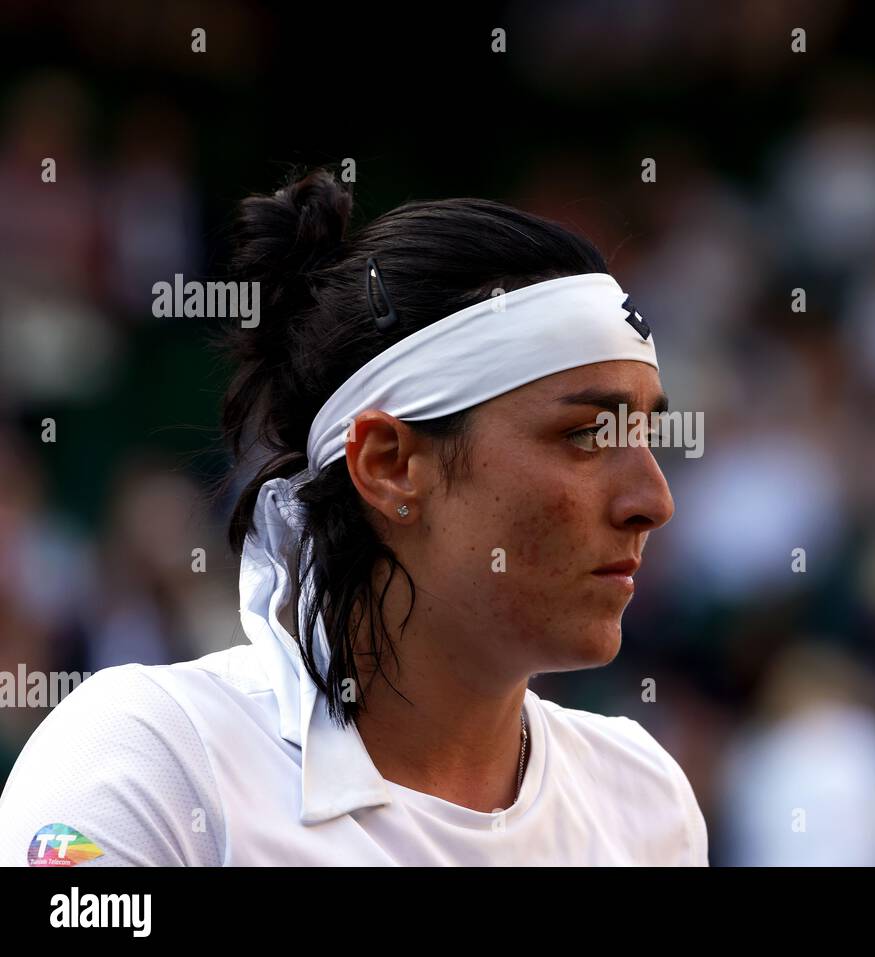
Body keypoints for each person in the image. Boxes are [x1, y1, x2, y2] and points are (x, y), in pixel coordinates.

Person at [0, 168, 708, 866]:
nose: (652, 501)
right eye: (586, 434)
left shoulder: (645, 797)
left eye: (645, 436)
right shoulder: (150, 760)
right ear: (389, 463)